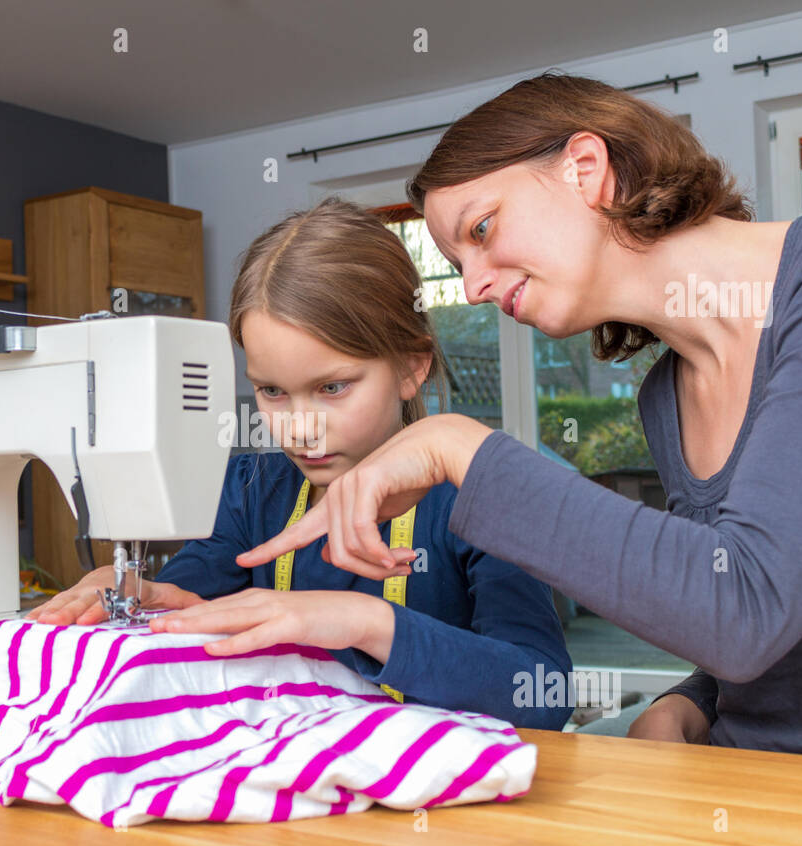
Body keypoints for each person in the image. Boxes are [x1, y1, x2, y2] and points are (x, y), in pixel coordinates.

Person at [229, 72, 802, 766]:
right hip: (749, 783)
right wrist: (692, 702)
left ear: (585, 168)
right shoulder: (667, 395)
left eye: (482, 227)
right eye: (457, 261)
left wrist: (458, 446)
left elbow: (745, 609)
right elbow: (777, 616)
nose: (471, 286)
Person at [28, 197, 572, 729]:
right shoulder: (250, 491)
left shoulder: (481, 502)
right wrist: (140, 595)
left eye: (332, 387)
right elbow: (183, 605)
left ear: (412, 367)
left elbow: (544, 693)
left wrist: (367, 624)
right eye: (271, 391)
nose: (298, 426)